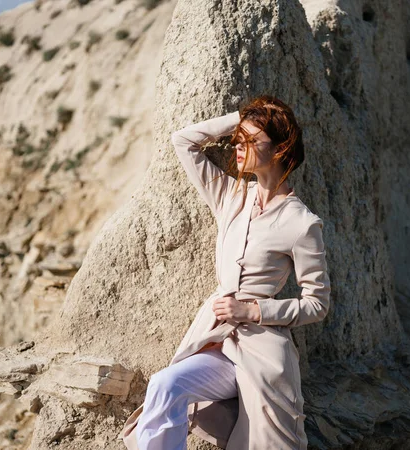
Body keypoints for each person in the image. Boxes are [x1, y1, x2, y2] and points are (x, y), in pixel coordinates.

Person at [119, 95, 331, 449]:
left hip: (263, 353)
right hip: (214, 338)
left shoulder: (302, 223)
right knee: (164, 385)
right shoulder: (231, 196)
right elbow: (183, 141)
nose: (238, 146)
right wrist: (243, 119)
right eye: (238, 139)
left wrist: (253, 310)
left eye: (250, 141)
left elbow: (317, 304)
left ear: (279, 150)